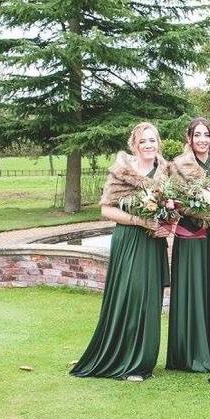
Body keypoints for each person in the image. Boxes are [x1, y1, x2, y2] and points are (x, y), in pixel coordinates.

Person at [71, 122, 173, 381]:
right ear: (135, 145)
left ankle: (143, 361)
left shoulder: (165, 172)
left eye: (153, 140)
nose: (149, 145)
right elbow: (106, 209)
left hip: (153, 242)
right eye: (143, 141)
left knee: (150, 298)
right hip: (129, 240)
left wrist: (167, 226)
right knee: (132, 295)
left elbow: (171, 209)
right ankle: (126, 361)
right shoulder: (122, 172)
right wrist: (140, 221)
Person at [167, 117, 210, 372]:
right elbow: (173, 200)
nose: (202, 140)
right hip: (191, 234)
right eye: (197, 135)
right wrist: (195, 208)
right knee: (192, 289)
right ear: (189, 138)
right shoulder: (177, 166)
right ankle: (191, 353)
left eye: (206, 135)